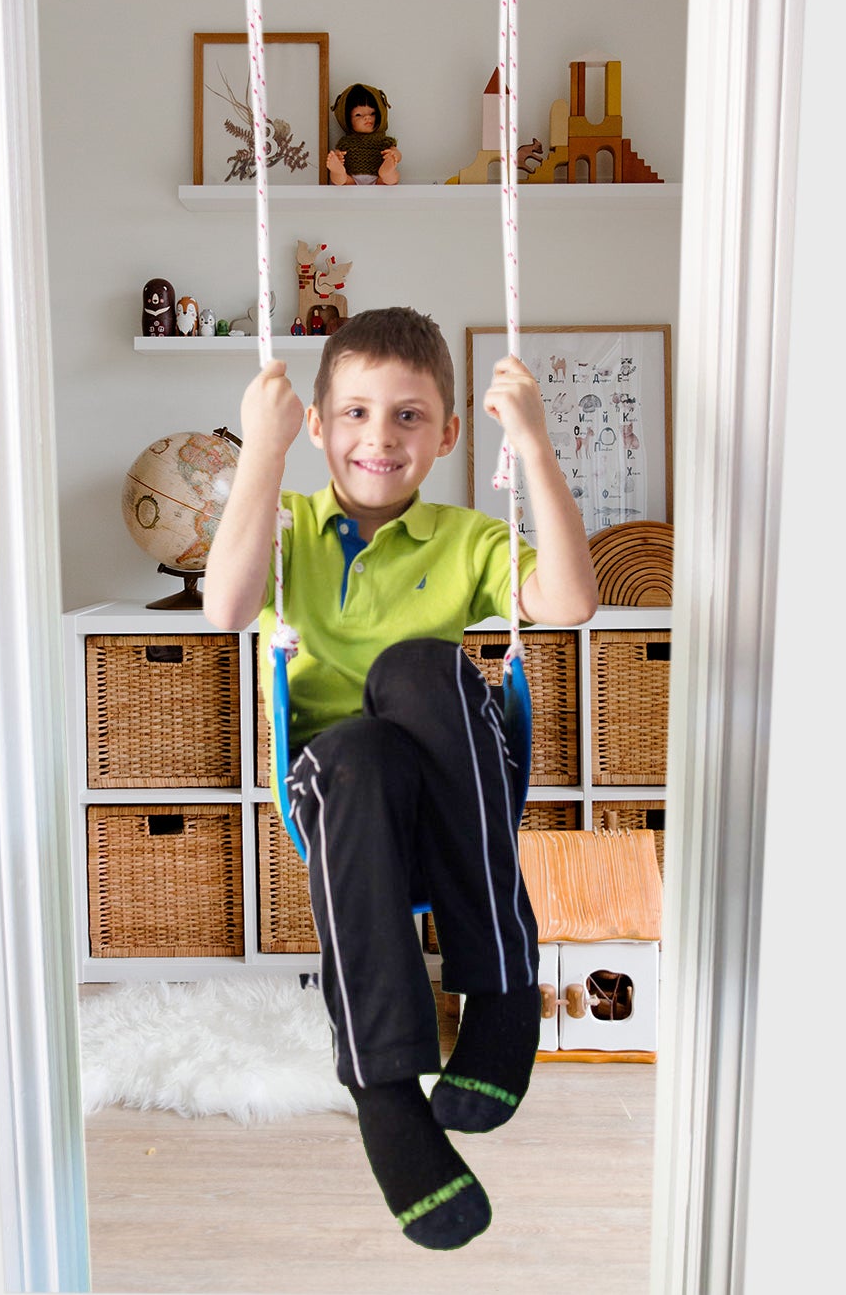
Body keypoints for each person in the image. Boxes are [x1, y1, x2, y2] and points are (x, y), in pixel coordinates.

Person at [203, 307, 598, 1250]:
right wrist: (264, 452)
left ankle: (500, 989)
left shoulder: (466, 537)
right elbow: (224, 611)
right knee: (361, 748)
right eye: (354, 414)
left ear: (450, 433)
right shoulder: (288, 526)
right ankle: (386, 1099)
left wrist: (535, 448)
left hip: (459, 784)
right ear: (320, 425)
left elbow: (574, 603)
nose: (380, 438)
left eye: (409, 417)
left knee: (417, 672)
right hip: (343, 798)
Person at [325, 82, 402, 185]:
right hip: (352, 179)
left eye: (372, 113)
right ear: (347, 120)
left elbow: (396, 153)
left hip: (378, 179)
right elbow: (340, 152)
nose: (367, 117)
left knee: (393, 178)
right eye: (358, 115)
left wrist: (394, 156)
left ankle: (386, 172)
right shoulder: (346, 142)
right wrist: (338, 158)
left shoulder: (384, 141)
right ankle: (338, 171)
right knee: (341, 180)